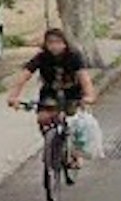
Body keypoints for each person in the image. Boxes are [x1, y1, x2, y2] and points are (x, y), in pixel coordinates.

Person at [14, 26, 94, 169]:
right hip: (50, 92)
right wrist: (14, 96)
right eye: (50, 42)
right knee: (43, 117)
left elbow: (84, 78)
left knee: (74, 121)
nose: (54, 46)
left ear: (65, 43)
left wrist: (88, 95)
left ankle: (76, 154)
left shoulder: (74, 57)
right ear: (45, 44)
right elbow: (25, 75)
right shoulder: (42, 57)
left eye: (58, 42)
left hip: (72, 92)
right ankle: (51, 143)